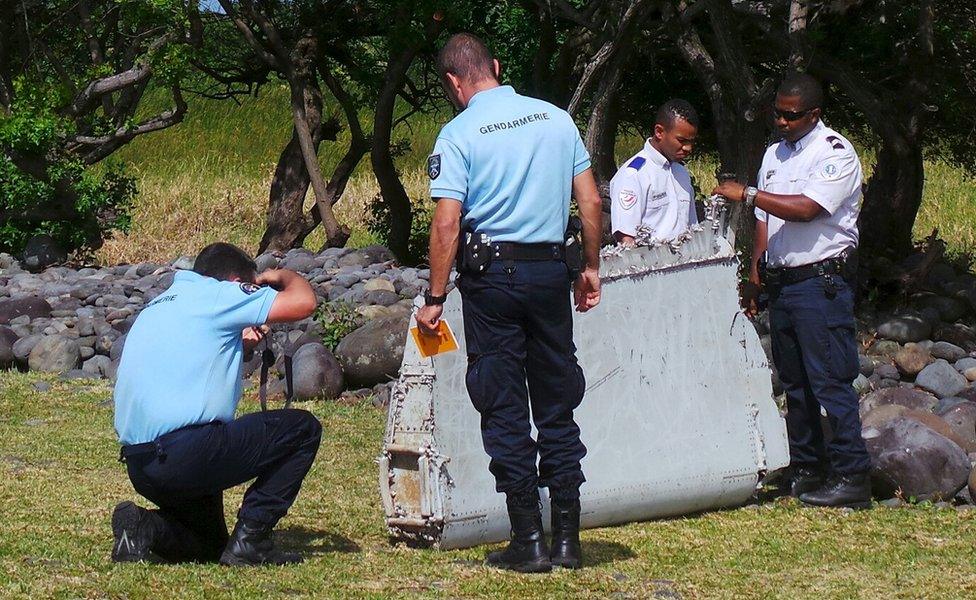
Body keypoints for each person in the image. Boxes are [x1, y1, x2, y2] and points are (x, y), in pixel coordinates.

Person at [415, 33, 603, 572]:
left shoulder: (458, 133)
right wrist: (590, 268)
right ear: (496, 66)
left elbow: (448, 221)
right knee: (557, 401)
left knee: (502, 404)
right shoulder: (555, 119)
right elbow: (589, 198)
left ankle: (527, 539)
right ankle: (568, 536)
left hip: (493, 280)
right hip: (550, 274)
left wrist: (434, 296)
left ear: (454, 82)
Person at [713, 73, 872, 509]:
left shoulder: (834, 152)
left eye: (790, 114)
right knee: (795, 383)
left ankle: (852, 473)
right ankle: (806, 468)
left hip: (820, 282)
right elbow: (766, 223)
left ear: (813, 114)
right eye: (777, 112)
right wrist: (755, 276)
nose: (781, 121)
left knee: (830, 381)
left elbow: (806, 210)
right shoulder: (773, 154)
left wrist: (746, 193)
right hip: (784, 281)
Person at [111, 242, 323, 565]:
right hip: (185, 453)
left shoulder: (160, 305)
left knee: (209, 545)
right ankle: (252, 538)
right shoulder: (219, 295)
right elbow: (305, 302)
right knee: (303, 429)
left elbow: (189, 365)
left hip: (142, 466)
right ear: (239, 283)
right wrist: (284, 275)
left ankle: (145, 528)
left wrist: (240, 345)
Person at [610, 99, 700, 245]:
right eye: (682, 141)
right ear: (659, 132)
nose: (688, 148)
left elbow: (691, 227)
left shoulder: (681, 173)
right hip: (650, 264)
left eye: (691, 142)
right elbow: (626, 237)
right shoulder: (634, 174)